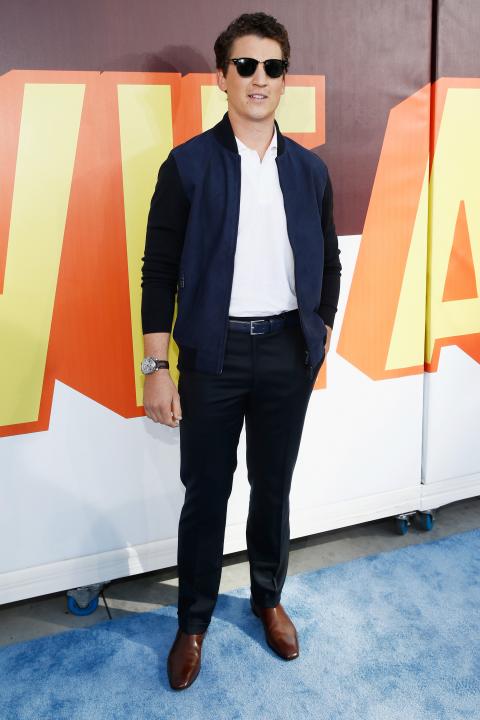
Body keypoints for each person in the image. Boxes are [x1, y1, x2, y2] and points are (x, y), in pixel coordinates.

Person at [140, 11, 342, 691]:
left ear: (285, 79)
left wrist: (319, 331)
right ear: (222, 77)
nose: (260, 78)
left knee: (273, 487)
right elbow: (159, 271)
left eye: (272, 67)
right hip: (213, 356)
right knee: (206, 492)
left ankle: (267, 599)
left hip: (286, 352)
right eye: (246, 66)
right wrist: (157, 368)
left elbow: (329, 262)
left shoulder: (309, 171)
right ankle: (193, 621)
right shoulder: (188, 166)